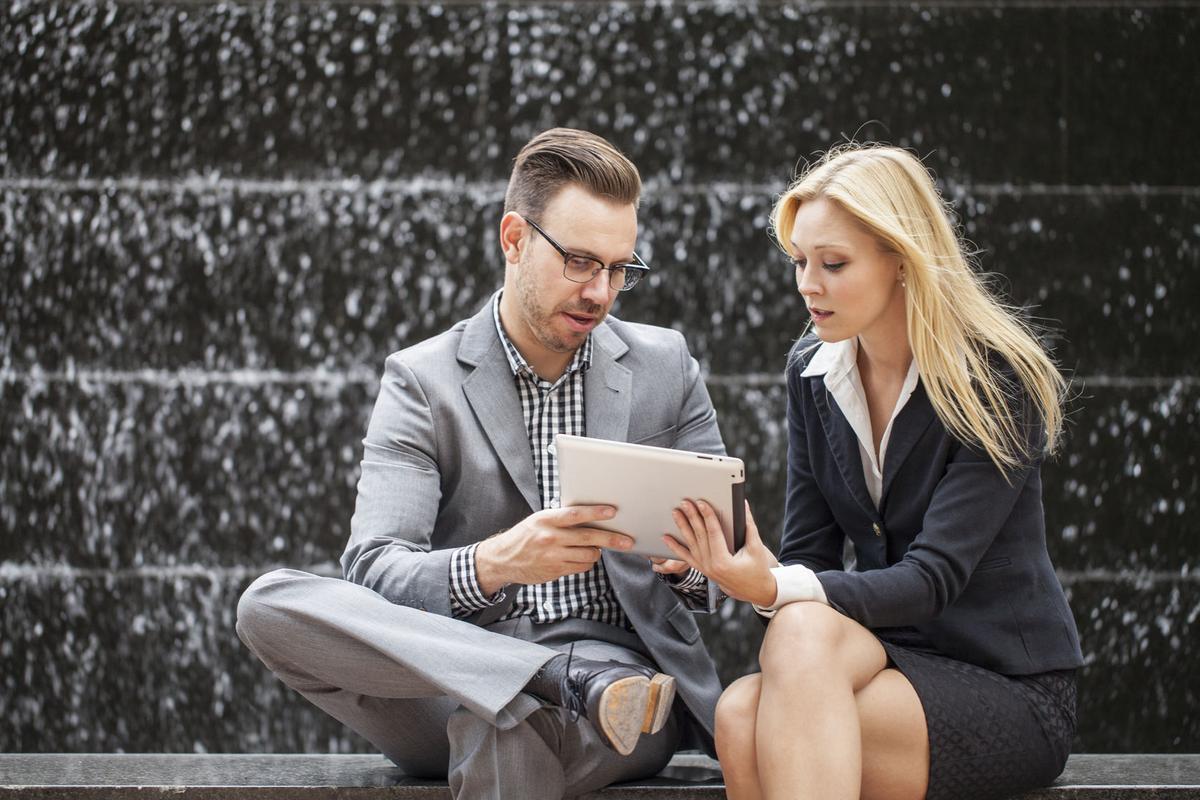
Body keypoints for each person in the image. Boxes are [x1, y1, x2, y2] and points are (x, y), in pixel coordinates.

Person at [235, 128, 728, 799]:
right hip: (441, 676)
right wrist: (495, 565)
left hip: (621, 686)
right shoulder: (421, 381)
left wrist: (690, 561)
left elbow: (723, 565)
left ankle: (556, 686)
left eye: (620, 269)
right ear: (514, 240)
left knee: (505, 727)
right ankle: (544, 678)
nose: (602, 292)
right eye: (581, 262)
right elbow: (376, 569)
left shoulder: (665, 367)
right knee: (269, 603)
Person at [663, 143, 1083, 800]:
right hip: (875, 654)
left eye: (833, 264)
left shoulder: (995, 380)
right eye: (800, 261)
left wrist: (773, 588)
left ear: (902, 261)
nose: (808, 284)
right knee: (738, 710)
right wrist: (747, 570)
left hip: (1005, 681)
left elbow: (932, 581)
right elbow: (808, 559)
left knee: (754, 712)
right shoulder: (812, 371)